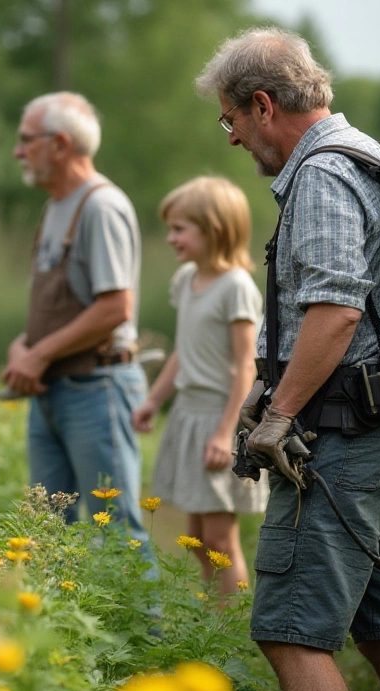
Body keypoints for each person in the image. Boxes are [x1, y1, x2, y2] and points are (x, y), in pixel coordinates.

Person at [196, 27, 380, 691]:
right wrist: (266, 389)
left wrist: (280, 415)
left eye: (231, 119)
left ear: (262, 104)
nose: (232, 138)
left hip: (344, 437)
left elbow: (336, 311)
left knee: (291, 637)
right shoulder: (367, 152)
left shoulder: (322, 174)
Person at [2, 92, 149, 547]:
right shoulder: (55, 208)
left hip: (97, 389)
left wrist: (38, 354)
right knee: (47, 527)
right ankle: (56, 621)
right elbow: (61, 306)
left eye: (27, 140)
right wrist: (23, 347)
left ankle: (143, 624)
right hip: (53, 390)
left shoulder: (100, 207)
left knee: (116, 529)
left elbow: (114, 308)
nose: (18, 150)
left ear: (60, 144)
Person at [132, 176, 267, 594]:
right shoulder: (186, 281)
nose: (170, 238)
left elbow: (247, 365)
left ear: (214, 230)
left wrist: (227, 432)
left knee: (218, 539)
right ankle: (212, 616)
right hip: (189, 415)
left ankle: (230, 631)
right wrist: (154, 400)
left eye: (179, 229)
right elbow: (182, 352)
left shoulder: (236, 287)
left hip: (219, 419)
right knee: (195, 537)